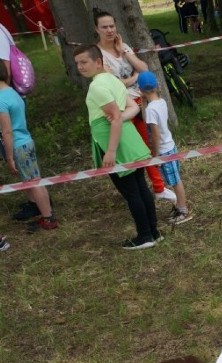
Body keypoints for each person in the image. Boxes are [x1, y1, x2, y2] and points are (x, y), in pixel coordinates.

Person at [74, 45, 161, 250]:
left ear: (98, 62)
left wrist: (111, 150)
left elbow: (114, 118)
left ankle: (145, 235)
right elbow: (132, 108)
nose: (80, 67)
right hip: (129, 140)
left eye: (84, 62)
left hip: (118, 144)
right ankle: (154, 232)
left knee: (132, 192)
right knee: (140, 187)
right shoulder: (112, 79)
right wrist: (119, 118)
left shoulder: (97, 86)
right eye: (77, 63)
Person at [93, 9, 175, 204]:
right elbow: (115, 84)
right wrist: (136, 77)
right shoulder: (98, 55)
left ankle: (156, 187)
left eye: (112, 26)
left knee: (146, 146)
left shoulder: (122, 46)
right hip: (123, 107)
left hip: (141, 102)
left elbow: (144, 68)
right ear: (97, 29)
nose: (109, 30)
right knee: (141, 149)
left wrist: (124, 52)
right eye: (104, 27)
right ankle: (155, 188)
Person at [0, 63, 56, 232]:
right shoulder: (12, 92)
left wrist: (9, 157)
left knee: (33, 181)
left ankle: (49, 218)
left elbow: (7, 131)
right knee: (30, 180)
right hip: (26, 140)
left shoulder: (0, 100)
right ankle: (39, 209)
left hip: (17, 146)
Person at [136, 71, 192, 225]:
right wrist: (143, 104)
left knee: (175, 181)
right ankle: (181, 207)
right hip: (169, 145)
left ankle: (183, 210)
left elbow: (154, 134)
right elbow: (148, 119)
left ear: (140, 89)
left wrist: (154, 153)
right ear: (157, 85)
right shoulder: (160, 102)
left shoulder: (151, 109)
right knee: (174, 179)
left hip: (163, 150)